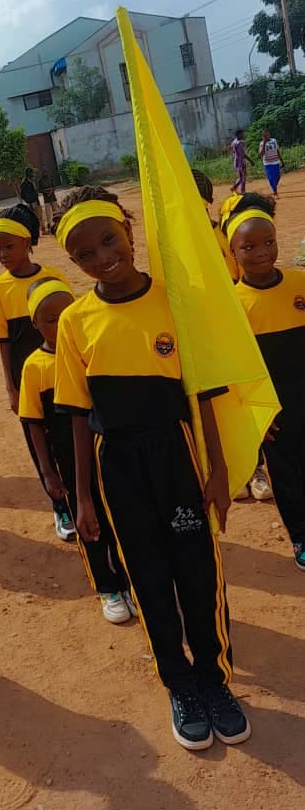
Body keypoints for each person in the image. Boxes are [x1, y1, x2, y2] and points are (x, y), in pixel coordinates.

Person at [53, 193, 251, 751]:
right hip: (118, 464)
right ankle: (180, 684)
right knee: (148, 579)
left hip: (179, 455)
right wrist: (83, 497)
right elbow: (75, 415)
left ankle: (214, 681)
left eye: (108, 239)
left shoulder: (175, 304)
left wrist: (215, 472)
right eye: (84, 253)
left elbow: (204, 394)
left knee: (197, 571)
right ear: (75, 263)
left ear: (129, 231)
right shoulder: (75, 321)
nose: (101, 257)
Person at [19, 277, 137, 623]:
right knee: (91, 525)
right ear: (35, 324)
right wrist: (47, 471)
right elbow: (33, 424)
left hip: (110, 454)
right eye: (50, 318)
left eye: (67, 312)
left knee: (123, 520)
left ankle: (131, 582)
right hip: (70, 464)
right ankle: (108, 587)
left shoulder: (93, 349)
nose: (60, 323)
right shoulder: (35, 368)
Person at [224, 197, 305, 572]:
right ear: (232, 251)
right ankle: (301, 536)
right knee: (287, 476)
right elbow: (235, 369)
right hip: (275, 410)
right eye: (249, 246)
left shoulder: (299, 284)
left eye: (269, 242)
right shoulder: (234, 306)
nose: (262, 252)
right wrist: (256, 414)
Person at [0, 203, 74, 540]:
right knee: (40, 442)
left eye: (9, 246)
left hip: (61, 372)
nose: (2, 254)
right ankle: (60, 509)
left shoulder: (53, 278)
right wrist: (11, 387)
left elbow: (71, 327)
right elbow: (4, 343)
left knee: (71, 436)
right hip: (29, 380)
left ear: (28, 242)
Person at [191, 171, 273, 502]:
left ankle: (254, 466)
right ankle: (222, 468)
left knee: (243, 398)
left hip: (233, 330)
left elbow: (243, 278)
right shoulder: (169, 245)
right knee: (213, 406)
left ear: (207, 203)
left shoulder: (224, 237)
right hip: (200, 337)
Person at [259, 129, 284, 197]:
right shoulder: (261, 143)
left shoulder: (274, 140)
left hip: (276, 162)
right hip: (268, 163)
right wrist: (264, 143)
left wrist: (281, 160)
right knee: (271, 178)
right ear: (263, 136)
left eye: (267, 134)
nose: (267, 136)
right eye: (265, 135)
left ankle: (274, 185)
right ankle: (275, 192)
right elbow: (261, 154)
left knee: (277, 176)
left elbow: (277, 150)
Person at [20, 167, 45, 233]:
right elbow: (22, 195)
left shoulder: (32, 182)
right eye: (32, 173)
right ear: (29, 174)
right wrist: (29, 201)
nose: (34, 175)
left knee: (40, 216)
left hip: (36, 201)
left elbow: (35, 191)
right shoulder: (24, 184)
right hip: (31, 203)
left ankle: (43, 229)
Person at [229, 129, 254, 194]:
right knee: (242, 177)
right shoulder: (239, 143)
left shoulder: (234, 142)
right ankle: (242, 191)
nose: (243, 135)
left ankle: (234, 187)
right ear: (238, 135)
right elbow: (243, 154)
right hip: (239, 163)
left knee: (243, 176)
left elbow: (232, 151)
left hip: (237, 161)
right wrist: (251, 160)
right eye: (242, 134)